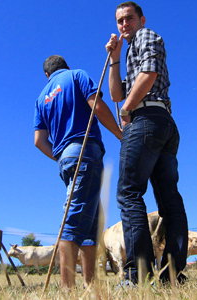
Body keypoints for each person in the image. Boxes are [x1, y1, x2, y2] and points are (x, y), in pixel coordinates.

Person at [105, 1, 188, 285]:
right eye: (119, 21)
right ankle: (172, 274)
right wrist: (115, 58)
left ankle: (137, 274)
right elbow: (116, 94)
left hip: (146, 119)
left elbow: (149, 75)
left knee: (129, 194)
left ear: (141, 18)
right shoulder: (129, 51)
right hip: (161, 123)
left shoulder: (146, 35)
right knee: (169, 198)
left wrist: (128, 110)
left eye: (129, 18)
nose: (124, 24)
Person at [33, 55, 121, 288]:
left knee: (89, 224)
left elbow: (39, 141)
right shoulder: (77, 75)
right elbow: (97, 106)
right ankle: (67, 289)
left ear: (47, 75)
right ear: (65, 66)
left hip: (65, 158)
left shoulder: (42, 98)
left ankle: (90, 286)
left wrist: (62, 156)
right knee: (72, 220)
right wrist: (119, 133)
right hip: (85, 151)